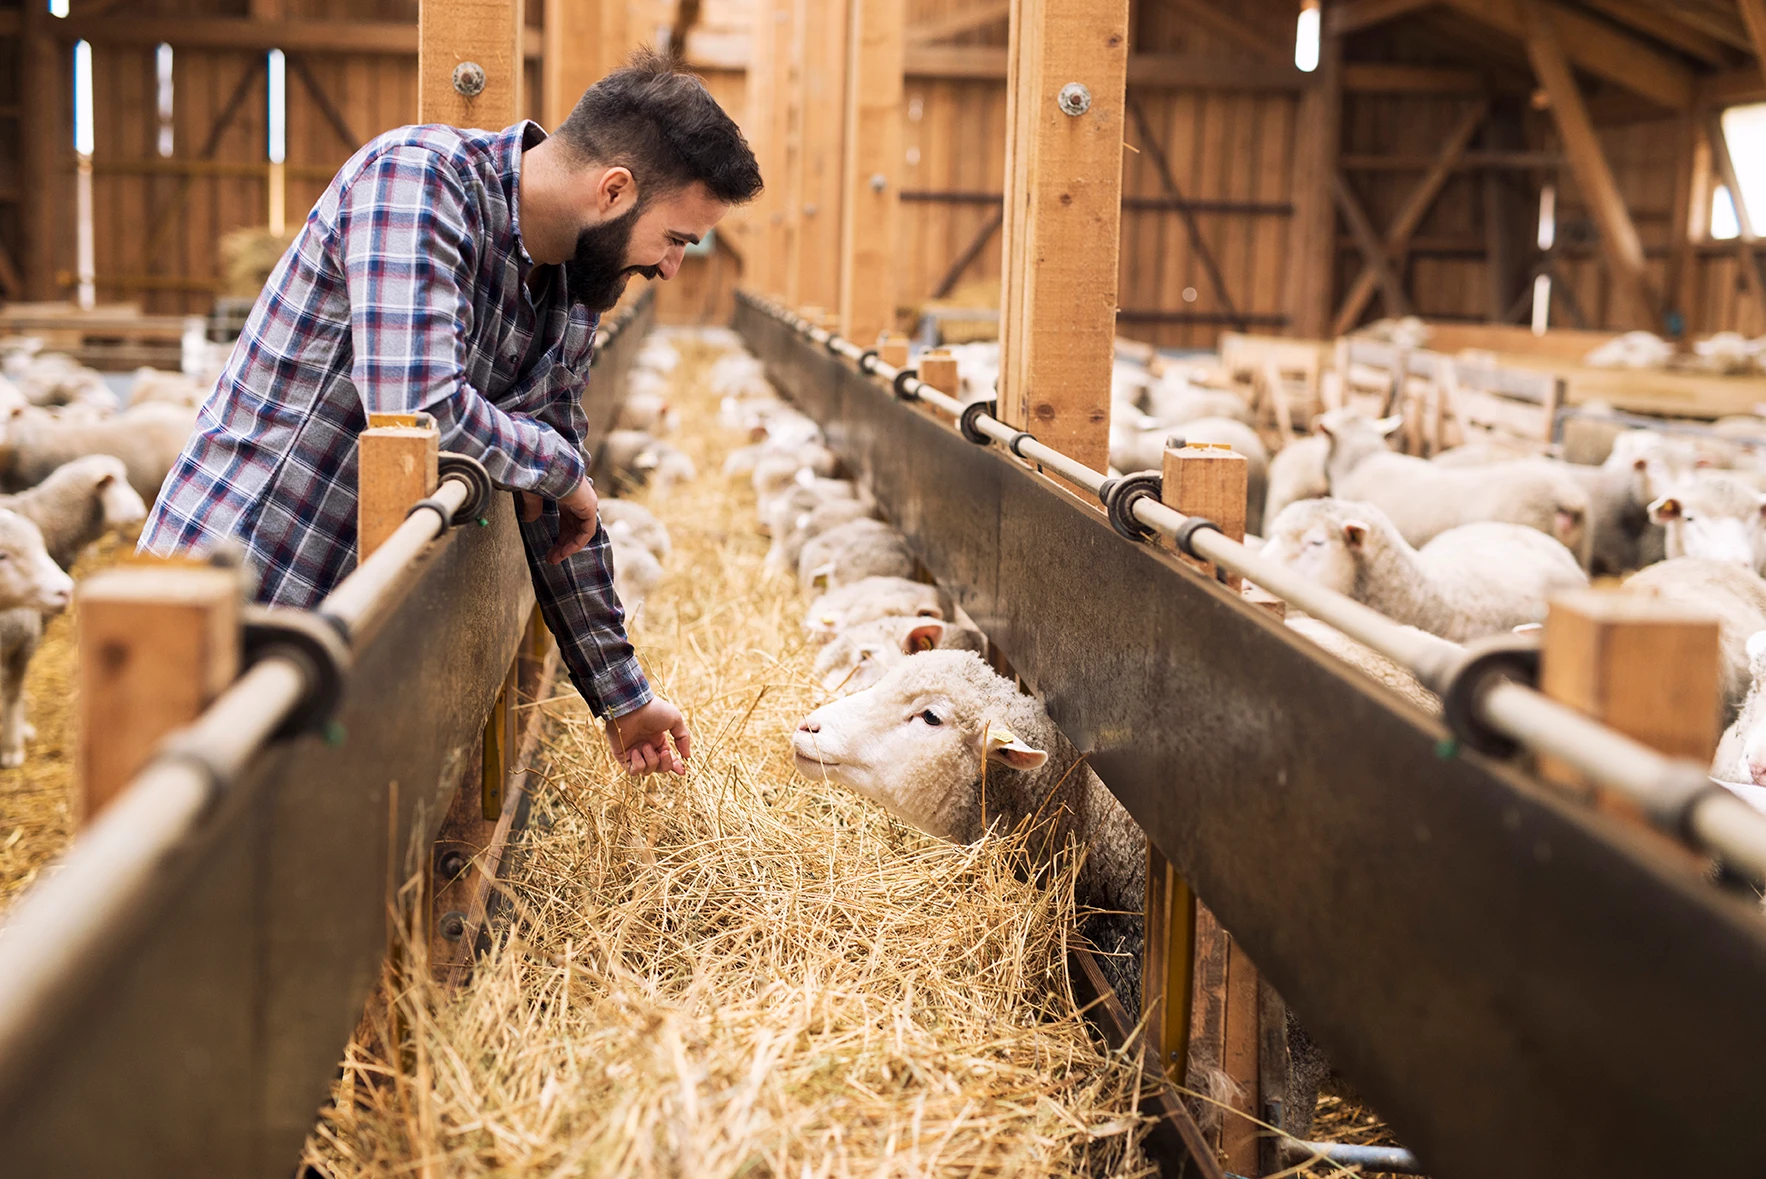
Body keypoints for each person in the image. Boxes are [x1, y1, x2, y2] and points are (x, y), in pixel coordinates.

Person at [139, 48, 762, 776]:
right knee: (165, 858)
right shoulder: (418, 180)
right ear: (614, 190)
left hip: (352, 622)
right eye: (678, 238)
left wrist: (624, 697)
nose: (670, 267)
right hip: (239, 588)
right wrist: (561, 469)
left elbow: (564, 512)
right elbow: (416, 407)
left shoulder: (569, 295)